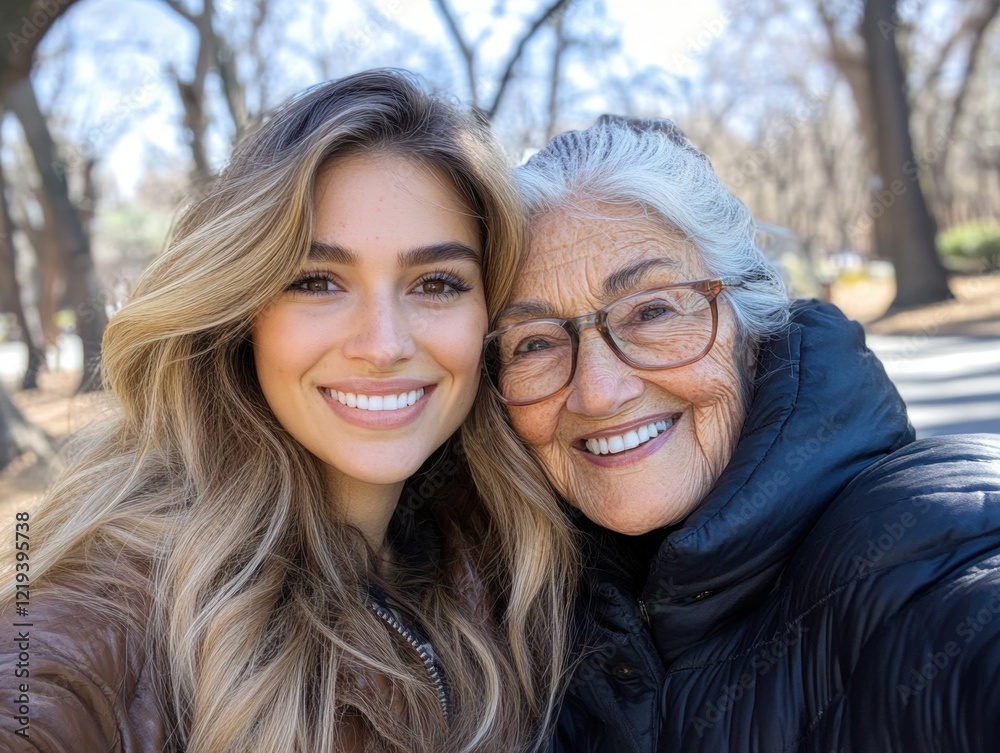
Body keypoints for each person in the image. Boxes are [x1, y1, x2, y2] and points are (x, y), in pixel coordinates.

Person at [0, 69, 576, 753]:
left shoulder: (500, 551)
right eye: (317, 281)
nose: (384, 345)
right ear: (245, 313)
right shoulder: (113, 608)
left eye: (437, 282)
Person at [467, 114, 1000, 752]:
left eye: (653, 310)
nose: (599, 391)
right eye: (534, 343)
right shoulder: (506, 620)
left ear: (752, 330)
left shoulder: (926, 543)